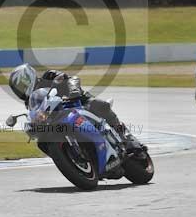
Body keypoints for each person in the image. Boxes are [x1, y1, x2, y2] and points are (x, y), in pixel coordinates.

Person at [9, 63, 144, 153]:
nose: (21, 91)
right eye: (18, 90)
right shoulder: (30, 102)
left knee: (100, 106)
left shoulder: (47, 76)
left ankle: (127, 138)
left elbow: (69, 78)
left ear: (28, 78)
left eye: (21, 86)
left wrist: (73, 91)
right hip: (57, 119)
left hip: (76, 102)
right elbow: (35, 115)